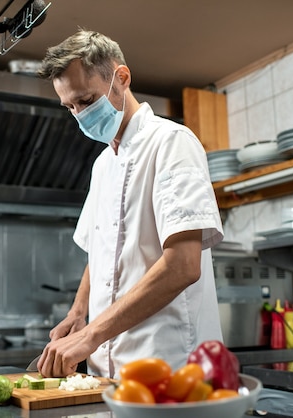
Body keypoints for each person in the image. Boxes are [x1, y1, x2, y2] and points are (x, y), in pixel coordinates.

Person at [35, 29, 224, 379]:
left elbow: (183, 265)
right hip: (107, 373)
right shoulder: (103, 164)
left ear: (121, 78)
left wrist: (92, 334)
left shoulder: (171, 143)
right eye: (70, 107)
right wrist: (79, 313)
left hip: (169, 366)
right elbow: (100, 252)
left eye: (87, 101)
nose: (79, 115)